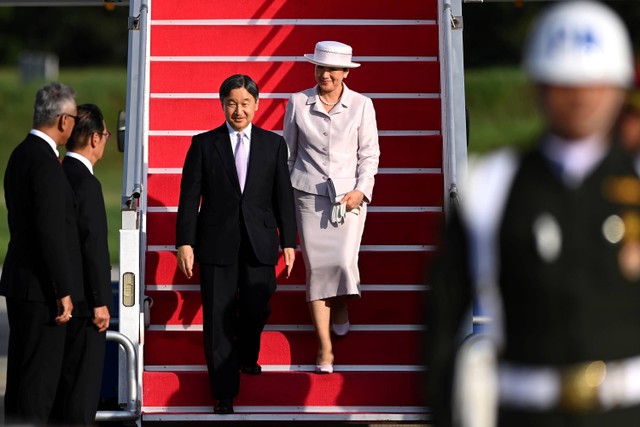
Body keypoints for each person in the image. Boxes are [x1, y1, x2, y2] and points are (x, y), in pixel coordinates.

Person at [428, 2, 640, 426]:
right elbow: (440, 327)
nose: (580, 95)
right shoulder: (490, 186)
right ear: (536, 85)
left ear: (619, 88)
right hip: (525, 410)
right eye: (563, 81)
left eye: (594, 81)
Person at [176, 74, 297, 414]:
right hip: (216, 241)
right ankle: (223, 391)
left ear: (257, 105)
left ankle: (246, 355)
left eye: (245, 103)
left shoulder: (273, 145)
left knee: (258, 304)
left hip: (260, 239)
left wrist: (289, 241)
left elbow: (282, 197)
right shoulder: (203, 144)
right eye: (232, 103)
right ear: (222, 105)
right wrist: (185, 242)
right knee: (217, 317)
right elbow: (189, 198)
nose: (239, 110)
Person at [283, 41, 380, 373]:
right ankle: (324, 347)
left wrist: (360, 190)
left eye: (332, 69)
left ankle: (340, 306)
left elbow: (369, 155)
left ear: (344, 73)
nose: (325, 74)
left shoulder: (362, 106)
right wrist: (283, 195)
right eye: (320, 68)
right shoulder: (297, 102)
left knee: (341, 262)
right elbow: (288, 154)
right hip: (308, 196)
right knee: (318, 269)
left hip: (349, 198)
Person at [0, 82, 83, 424]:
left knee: (21, 376)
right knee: (39, 381)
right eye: (75, 119)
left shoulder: (20, 154)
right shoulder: (46, 163)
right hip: (41, 289)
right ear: (63, 120)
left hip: (20, 281)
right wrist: (62, 289)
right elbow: (50, 232)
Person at [50, 103, 113, 425]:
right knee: (82, 390)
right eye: (104, 134)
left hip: (58, 298)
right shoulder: (87, 184)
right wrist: (101, 301)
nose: (105, 140)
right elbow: (93, 246)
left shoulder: (58, 174)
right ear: (92, 139)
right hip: (86, 304)